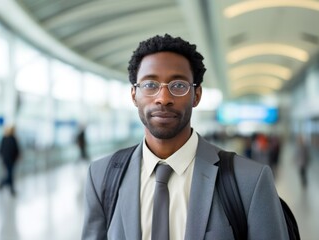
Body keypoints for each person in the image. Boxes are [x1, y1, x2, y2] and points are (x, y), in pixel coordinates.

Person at [82, 34, 289, 239]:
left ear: (196, 95)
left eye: (178, 86)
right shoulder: (102, 176)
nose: (163, 99)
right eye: (150, 85)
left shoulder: (250, 180)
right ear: (134, 95)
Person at [0, 125, 20, 196]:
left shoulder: (6, 138)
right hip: (8, 160)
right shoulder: (9, 138)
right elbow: (1, 149)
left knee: (10, 174)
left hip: (9, 160)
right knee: (10, 175)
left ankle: (9, 188)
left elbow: (16, 150)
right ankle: (3, 183)